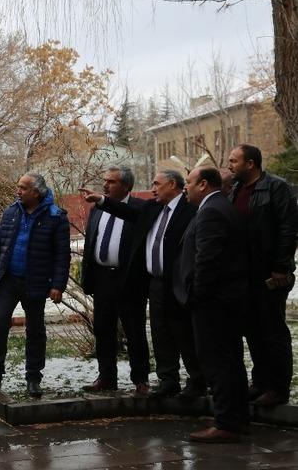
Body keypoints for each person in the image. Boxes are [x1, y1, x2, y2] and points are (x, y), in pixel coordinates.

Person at [80, 170, 204, 400]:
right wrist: (101, 200)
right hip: (144, 281)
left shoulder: (189, 209)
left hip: (168, 282)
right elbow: (124, 212)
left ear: (172, 184)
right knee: (159, 333)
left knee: (179, 333)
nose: (153, 188)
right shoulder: (154, 208)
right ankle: (168, 380)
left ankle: (193, 381)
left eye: (157, 183)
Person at [0, 173, 70, 397]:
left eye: (23, 188)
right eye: (18, 187)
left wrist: (58, 285)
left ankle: (33, 378)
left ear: (36, 192)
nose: (18, 191)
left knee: (35, 329)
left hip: (36, 282)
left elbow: (62, 255)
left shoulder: (56, 217)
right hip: (8, 280)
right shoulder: (12, 211)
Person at [175, 167, 249, 442]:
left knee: (217, 361)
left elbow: (207, 260)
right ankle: (237, 418)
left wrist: (196, 295)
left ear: (203, 184)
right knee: (230, 361)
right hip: (223, 301)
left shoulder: (211, 211)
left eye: (190, 183)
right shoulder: (221, 206)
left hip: (213, 304)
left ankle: (226, 423)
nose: (186, 188)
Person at [228, 144, 298, 407]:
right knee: (253, 331)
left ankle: (278, 388)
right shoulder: (236, 190)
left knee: (273, 331)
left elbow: (287, 229)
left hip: (269, 274)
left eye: (234, 161)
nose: (229, 165)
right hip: (244, 275)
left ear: (251, 164)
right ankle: (260, 383)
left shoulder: (276, 187)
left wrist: (280, 267)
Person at [79, 166, 150, 396]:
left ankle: (140, 379)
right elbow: (92, 241)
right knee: (103, 329)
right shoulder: (97, 210)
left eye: (112, 181)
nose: (106, 185)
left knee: (134, 330)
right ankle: (107, 377)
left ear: (127, 186)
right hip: (103, 279)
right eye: (105, 180)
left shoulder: (140, 208)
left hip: (128, 280)